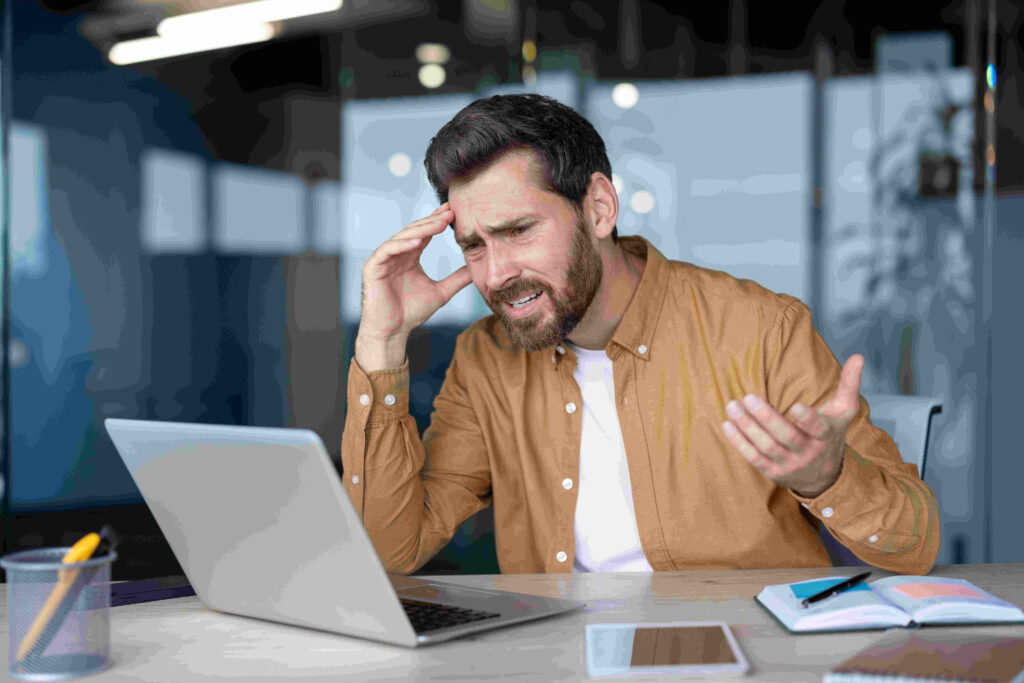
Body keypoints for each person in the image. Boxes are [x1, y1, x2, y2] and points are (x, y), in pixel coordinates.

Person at [341, 94, 939, 576]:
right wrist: (381, 345)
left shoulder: (759, 328)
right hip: (557, 661)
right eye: (474, 245)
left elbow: (914, 544)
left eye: (519, 230)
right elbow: (392, 553)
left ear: (599, 208)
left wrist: (824, 478)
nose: (495, 275)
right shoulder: (485, 357)